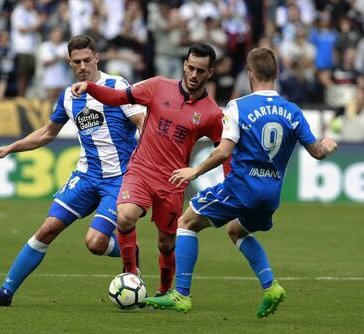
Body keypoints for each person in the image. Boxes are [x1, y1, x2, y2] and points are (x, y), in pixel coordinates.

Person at [143, 47, 338, 316]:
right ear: (277, 73)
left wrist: (194, 171)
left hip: (242, 188)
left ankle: (180, 294)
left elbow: (223, 151)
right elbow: (317, 152)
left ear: (249, 74)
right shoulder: (292, 111)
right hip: (271, 195)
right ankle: (271, 287)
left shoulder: (239, 107)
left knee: (186, 223)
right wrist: (328, 145)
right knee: (236, 231)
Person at [0, 35, 145, 306]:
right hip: (87, 176)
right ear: (70, 63)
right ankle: (5, 294)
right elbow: (46, 134)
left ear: (97, 58)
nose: (83, 66)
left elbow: (141, 121)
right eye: (77, 62)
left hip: (119, 178)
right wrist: (10, 148)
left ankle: (130, 253)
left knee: (95, 243)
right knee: (46, 230)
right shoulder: (68, 96)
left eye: (88, 60)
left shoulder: (117, 86)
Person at [71, 43, 230, 296]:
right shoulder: (158, 86)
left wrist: (226, 183)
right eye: (190, 67)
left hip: (172, 182)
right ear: (184, 65)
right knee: (124, 216)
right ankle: (131, 273)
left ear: (210, 72)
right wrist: (90, 87)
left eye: (201, 70)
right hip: (141, 170)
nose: (193, 75)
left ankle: (164, 292)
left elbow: (225, 151)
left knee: (166, 243)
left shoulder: (211, 114)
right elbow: (118, 97)